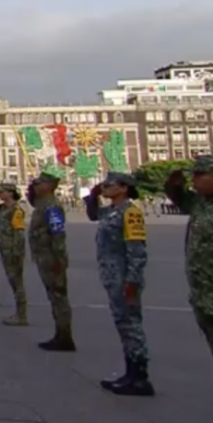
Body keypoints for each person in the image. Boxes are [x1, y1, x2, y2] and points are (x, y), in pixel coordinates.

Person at [86, 172, 153, 396]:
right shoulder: (112, 211)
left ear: (124, 188)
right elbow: (94, 215)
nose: (105, 187)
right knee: (123, 323)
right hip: (113, 277)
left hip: (125, 277)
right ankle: (130, 373)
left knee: (131, 325)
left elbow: (137, 249)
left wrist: (133, 280)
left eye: (109, 185)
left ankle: (140, 377)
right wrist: (93, 196)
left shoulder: (130, 212)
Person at [164, 155, 213, 357]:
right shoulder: (200, 202)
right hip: (204, 296)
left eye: (201, 174)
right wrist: (174, 183)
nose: (194, 179)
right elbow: (178, 197)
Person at [28, 171, 74, 351]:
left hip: (52, 257)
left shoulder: (52, 207)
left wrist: (58, 259)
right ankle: (60, 333)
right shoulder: (42, 205)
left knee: (59, 297)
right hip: (44, 255)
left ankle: (65, 336)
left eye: (39, 183)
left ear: (48, 185)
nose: (36, 186)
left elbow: (58, 234)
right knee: (54, 297)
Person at [0, 184, 29, 326]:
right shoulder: (4, 209)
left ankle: (21, 315)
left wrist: (17, 251)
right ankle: (18, 313)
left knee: (17, 282)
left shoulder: (16, 210)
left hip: (13, 251)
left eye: (2, 192)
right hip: (5, 250)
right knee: (13, 281)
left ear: (10, 193)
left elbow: (19, 232)